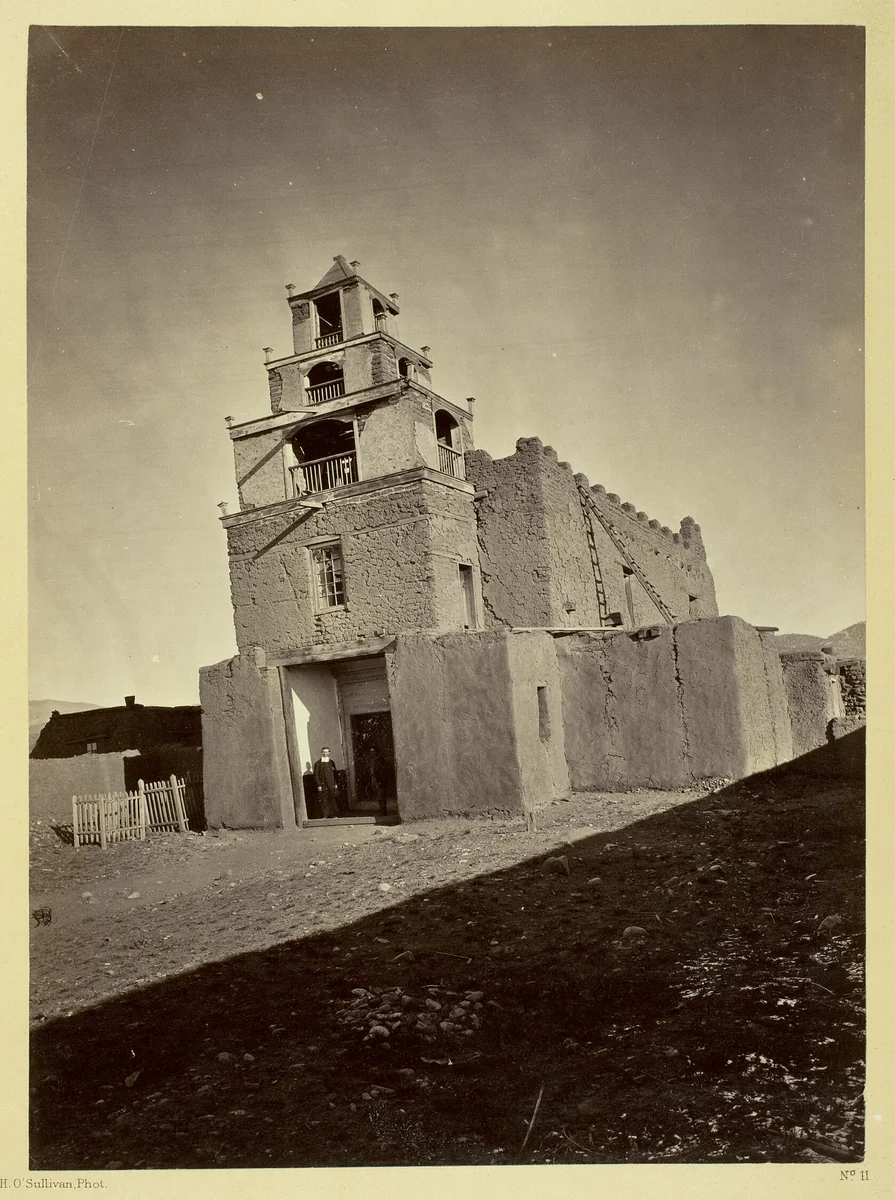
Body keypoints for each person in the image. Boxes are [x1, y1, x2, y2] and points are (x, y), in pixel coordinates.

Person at [313, 747, 341, 818]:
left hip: (331, 784)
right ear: (321, 752)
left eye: (326, 752)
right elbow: (316, 775)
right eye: (323, 752)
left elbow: (334, 774)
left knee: (332, 799)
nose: (325, 753)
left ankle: (333, 815)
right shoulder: (318, 763)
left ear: (329, 753)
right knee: (324, 800)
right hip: (323, 784)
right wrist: (319, 785)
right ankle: (325, 815)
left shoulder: (331, 762)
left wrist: (335, 784)